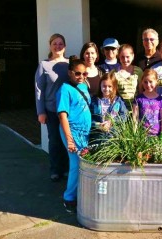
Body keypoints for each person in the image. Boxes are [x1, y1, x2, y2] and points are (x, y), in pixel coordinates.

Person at [56, 56, 91, 213]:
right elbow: (62, 115)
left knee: (83, 165)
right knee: (77, 165)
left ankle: (79, 194)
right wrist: (69, 140)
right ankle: (68, 198)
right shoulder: (65, 89)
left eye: (84, 74)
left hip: (84, 133)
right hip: (72, 132)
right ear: (70, 73)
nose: (81, 77)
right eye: (78, 74)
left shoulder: (84, 87)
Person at [35, 33, 69, 182]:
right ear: (50, 46)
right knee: (54, 141)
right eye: (55, 43)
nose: (58, 46)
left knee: (67, 140)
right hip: (52, 110)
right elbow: (39, 89)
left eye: (60, 44)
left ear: (65, 46)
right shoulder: (44, 65)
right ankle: (55, 169)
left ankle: (67, 168)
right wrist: (40, 111)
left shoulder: (70, 64)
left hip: (68, 111)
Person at [89, 71, 127, 145]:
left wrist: (112, 122)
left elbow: (125, 115)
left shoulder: (118, 100)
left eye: (109, 86)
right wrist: (98, 125)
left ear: (114, 87)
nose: (106, 89)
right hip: (97, 137)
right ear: (100, 86)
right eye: (104, 86)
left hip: (114, 136)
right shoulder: (94, 100)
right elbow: (89, 117)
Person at [132, 69, 162, 142]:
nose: (148, 85)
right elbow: (135, 118)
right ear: (142, 82)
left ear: (156, 81)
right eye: (145, 82)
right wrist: (135, 135)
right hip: (142, 136)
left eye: (151, 82)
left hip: (157, 136)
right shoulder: (138, 99)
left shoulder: (161, 100)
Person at [115, 43, 143, 110]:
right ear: (119, 57)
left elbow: (141, 91)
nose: (125, 60)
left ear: (133, 56)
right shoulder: (114, 73)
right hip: (119, 109)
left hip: (135, 108)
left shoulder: (138, 71)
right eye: (122, 57)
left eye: (127, 57)